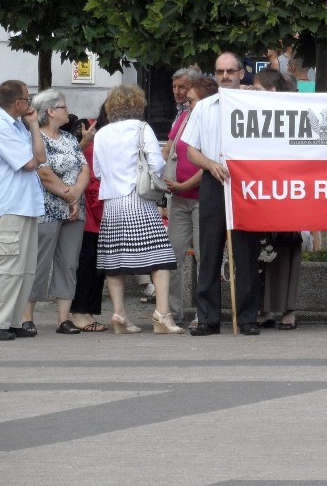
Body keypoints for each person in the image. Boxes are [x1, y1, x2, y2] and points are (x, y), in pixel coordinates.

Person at [182, 51, 262, 336]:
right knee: (210, 249)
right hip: (215, 181)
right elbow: (191, 150)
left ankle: (248, 317)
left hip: (248, 184)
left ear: (242, 73)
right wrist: (211, 164)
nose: (225, 76)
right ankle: (208, 318)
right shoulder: (203, 108)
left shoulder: (258, 104)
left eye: (230, 71)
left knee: (246, 252)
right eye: (220, 72)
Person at [93, 84, 183, 334]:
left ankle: (119, 313)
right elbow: (156, 164)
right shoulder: (142, 129)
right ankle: (163, 314)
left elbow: (98, 172)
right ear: (137, 105)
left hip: (111, 204)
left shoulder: (101, 134)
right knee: (161, 258)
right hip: (138, 200)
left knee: (115, 261)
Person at [0, 80, 47, 341]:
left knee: (25, 267)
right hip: (9, 204)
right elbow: (32, 162)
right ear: (17, 103)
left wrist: (32, 126)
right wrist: (33, 129)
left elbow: (39, 157)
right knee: (7, 265)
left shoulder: (17, 124)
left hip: (25, 203)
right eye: (28, 99)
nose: (30, 104)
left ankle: (13, 319)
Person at [22, 90, 90, 335]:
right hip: (46, 209)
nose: (67, 110)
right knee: (39, 262)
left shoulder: (70, 138)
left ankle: (63, 319)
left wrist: (76, 195)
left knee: (69, 263)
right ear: (50, 111)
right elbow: (43, 172)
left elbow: (84, 168)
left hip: (73, 210)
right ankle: (26, 316)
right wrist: (68, 194)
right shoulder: (35, 137)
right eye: (63, 106)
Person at [163, 76, 216, 325]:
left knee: (204, 256)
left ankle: (202, 312)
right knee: (172, 255)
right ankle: (172, 311)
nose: (187, 103)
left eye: (192, 100)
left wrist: (184, 184)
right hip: (179, 199)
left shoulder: (211, 123)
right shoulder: (184, 118)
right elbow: (170, 148)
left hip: (199, 197)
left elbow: (208, 163)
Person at [252, 68, 301, 330]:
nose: (251, 93)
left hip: (288, 188)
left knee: (286, 246)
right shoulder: (250, 114)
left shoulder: (292, 113)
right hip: (261, 189)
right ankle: (264, 308)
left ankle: (288, 309)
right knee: (262, 247)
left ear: (272, 91)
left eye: (257, 89)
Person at [69, 104, 108, 332]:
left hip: (101, 205)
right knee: (86, 261)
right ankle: (79, 311)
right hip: (89, 205)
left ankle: (88, 310)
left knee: (96, 263)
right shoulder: (90, 129)